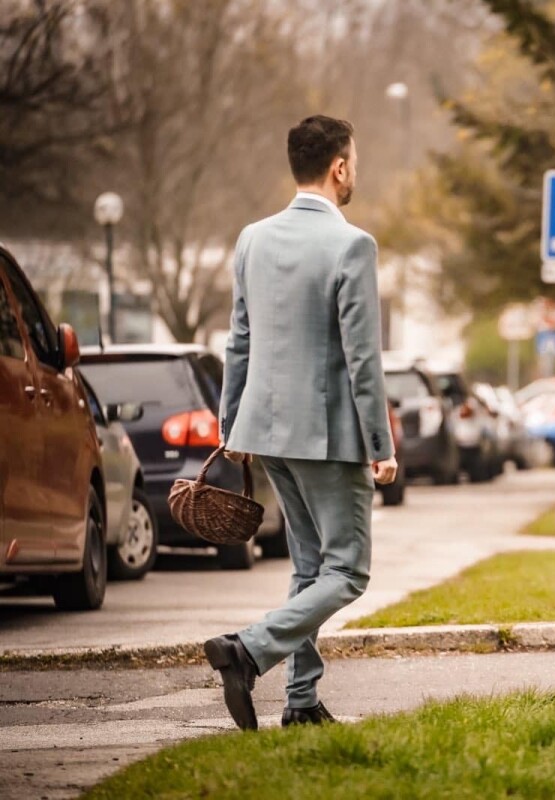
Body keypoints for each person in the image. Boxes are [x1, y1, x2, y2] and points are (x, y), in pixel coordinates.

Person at [206, 115, 399, 731]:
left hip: (265, 434)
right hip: (327, 435)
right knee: (348, 572)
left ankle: (302, 702)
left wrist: (229, 424)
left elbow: (239, 341)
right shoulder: (352, 245)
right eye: (354, 162)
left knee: (310, 567)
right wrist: (381, 444)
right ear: (340, 167)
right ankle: (249, 650)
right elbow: (363, 357)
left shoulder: (251, 239)